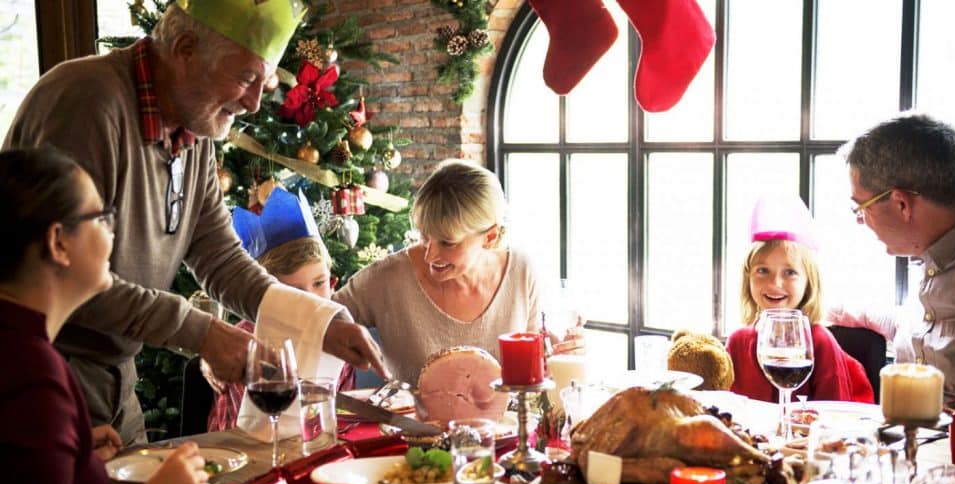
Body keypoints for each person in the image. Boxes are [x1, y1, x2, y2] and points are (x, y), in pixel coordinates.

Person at [3, 0, 385, 445]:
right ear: (185, 49)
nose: (254, 103)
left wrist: (320, 323)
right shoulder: (87, 101)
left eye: (263, 84)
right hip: (42, 374)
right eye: (246, 78)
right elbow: (64, 272)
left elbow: (218, 254)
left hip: (116, 387)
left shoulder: (194, 125)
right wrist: (202, 333)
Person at [0, 147, 211, 484]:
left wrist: (70, 457)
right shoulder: (33, 375)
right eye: (100, 217)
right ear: (59, 243)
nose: (113, 231)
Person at [334, 159, 583, 386]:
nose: (430, 255)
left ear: (490, 236)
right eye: (424, 236)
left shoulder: (521, 270)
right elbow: (315, 322)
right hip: (412, 435)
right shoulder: (387, 277)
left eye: (447, 243)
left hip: (504, 432)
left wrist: (565, 355)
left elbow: (533, 373)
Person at [841, 113, 955, 420]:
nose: (861, 220)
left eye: (861, 208)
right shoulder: (935, 254)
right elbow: (952, 331)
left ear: (901, 203)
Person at [207, 187, 355, 431]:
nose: (311, 301)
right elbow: (236, 433)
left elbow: (343, 424)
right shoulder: (246, 345)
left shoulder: (337, 339)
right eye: (293, 293)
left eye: (319, 283)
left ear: (332, 281)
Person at [726, 195, 874, 403]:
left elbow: (834, 417)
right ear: (747, 278)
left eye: (789, 272)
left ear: (809, 282)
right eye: (763, 270)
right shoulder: (737, 342)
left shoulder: (820, 342)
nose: (775, 283)